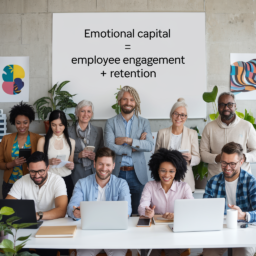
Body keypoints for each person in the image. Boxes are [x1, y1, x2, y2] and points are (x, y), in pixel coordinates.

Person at [67, 147, 131, 256]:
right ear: (94, 164)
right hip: (88, 235)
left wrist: (124, 215)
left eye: (108, 165)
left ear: (113, 166)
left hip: (114, 235)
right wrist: (75, 212)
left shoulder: (121, 184)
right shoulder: (82, 183)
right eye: (100, 164)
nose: (104, 168)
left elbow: (127, 210)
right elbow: (72, 206)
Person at [6, 151, 68, 256]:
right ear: (28, 169)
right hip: (28, 226)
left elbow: (61, 210)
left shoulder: (58, 181)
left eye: (41, 171)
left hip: (52, 226)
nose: (37, 175)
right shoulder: (21, 181)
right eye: (33, 171)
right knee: (17, 250)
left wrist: (38, 215)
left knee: (46, 252)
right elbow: (6, 207)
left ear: (48, 168)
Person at [104, 86, 154, 214]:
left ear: (135, 102)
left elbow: (148, 146)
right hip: (117, 173)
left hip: (137, 174)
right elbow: (109, 145)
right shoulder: (110, 122)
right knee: (116, 212)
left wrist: (128, 140)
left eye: (132, 100)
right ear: (119, 101)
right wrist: (135, 148)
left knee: (139, 212)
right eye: (125, 99)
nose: (128, 102)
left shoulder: (144, 123)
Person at [203, 142, 256, 256]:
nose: (227, 168)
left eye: (232, 164)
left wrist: (244, 215)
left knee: (242, 254)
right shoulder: (213, 182)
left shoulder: (251, 182)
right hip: (219, 231)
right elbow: (205, 211)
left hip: (245, 232)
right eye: (224, 163)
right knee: (209, 253)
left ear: (241, 162)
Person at [138, 148, 193, 256]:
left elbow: (191, 209)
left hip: (175, 232)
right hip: (154, 232)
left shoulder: (184, 187)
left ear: (177, 171)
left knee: (172, 251)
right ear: (157, 170)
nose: (167, 175)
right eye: (163, 170)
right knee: (152, 252)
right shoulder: (150, 186)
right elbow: (142, 205)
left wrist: (176, 215)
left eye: (171, 171)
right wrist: (147, 211)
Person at [200, 92, 256, 179]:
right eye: (222, 104)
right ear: (218, 107)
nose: (226, 108)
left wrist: (243, 157)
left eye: (230, 104)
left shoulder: (247, 126)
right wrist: (218, 158)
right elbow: (203, 153)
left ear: (235, 106)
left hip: (242, 179)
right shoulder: (209, 127)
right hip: (216, 180)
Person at [155, 98, 200, 191]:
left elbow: (198, 158)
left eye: (182, 115)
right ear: (171, 115)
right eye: (176, 114)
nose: (179, 118)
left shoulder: (192, 133)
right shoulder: (162, 133)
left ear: (186, 117)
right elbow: (155, 158)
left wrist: (191, 158)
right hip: (165, 179)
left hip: (186, 180)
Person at [0, 102, 42, 199]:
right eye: (18, 123)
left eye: (25, 122)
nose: (22, 126)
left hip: (30, 183)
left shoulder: (38, 139)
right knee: (9, 212)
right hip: (9, 184)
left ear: (30, 121)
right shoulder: (6, 139)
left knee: (28, 212)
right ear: (14, 122)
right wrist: (12, 164)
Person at [37, 110, 75, 201]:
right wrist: (49, 161)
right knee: (49, 207)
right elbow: (37, 164)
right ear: (50, 125)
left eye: (60, 125)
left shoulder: (71, 142)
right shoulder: (42, 141)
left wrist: (71, 165)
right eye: (54, 125)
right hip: (49, 179)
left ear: (65, 125)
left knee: (67, 209)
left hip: (67, 179)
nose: (57, 128)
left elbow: (71, 162)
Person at [68, 100, 103, 185]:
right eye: (82, 111)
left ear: (92, 114)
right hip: (75, 172)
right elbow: (65, 154)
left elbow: (102, 151)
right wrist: (78, 155)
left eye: (89, 111)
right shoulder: (68, 131)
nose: (86, 114)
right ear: (77, 113)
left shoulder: (98, 130)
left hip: (94, 171)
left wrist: (96, 156)